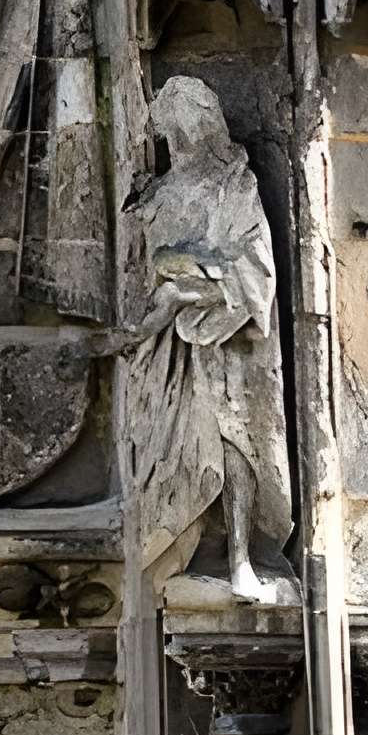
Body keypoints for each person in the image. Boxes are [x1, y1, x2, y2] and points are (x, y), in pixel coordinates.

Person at [99, 73, 294, 603]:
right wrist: (158, 296)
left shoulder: (236, 187)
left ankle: (240, 559)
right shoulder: (157, 197)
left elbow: (256, 270)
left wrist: (190, 277)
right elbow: (141, 276)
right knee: (174, 450)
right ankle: (176, 551)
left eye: (187, 125)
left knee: (235, 443)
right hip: (168, 351)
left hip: (225, 342)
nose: (180, 140)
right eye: (171, 130)